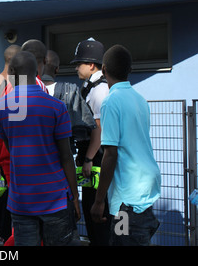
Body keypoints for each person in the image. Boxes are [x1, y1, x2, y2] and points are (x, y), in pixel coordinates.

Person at [0, 51, 80, 246]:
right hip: (56, 198)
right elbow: (66, 156)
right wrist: (75, 196)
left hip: (21, 200)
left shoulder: (1, 108)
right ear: (37, 72)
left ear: (11, 72)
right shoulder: (56, 107)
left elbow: (8, 147)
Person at [91, 44, 161, 246]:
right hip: (146, 188)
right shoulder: (140, 99)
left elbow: (110, 154)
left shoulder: (111, 102)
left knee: (123, 240)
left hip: (127, 200)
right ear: (130, 70)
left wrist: (98, 200)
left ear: (103, 70)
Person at [70, 37, 111, 246]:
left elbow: (99, 129)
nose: (76, 67)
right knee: (90, 208)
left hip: (96, 157)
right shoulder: (89, 86)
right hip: (91, 155)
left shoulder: (99, 90)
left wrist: (88, 159)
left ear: (92, 65)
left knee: (97, 211)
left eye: (79, 63)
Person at [42, 50, 96, 154]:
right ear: (57, 69)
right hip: (62, 157)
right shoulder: (70, 90)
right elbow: (85, 128)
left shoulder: (21, 92)